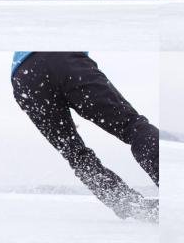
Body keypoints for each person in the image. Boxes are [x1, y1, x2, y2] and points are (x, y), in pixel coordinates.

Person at [11, 52, 159, 222]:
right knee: (133, 127)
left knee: (76, 156)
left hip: (24, 78)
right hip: (63, 59)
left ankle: (129, 204)